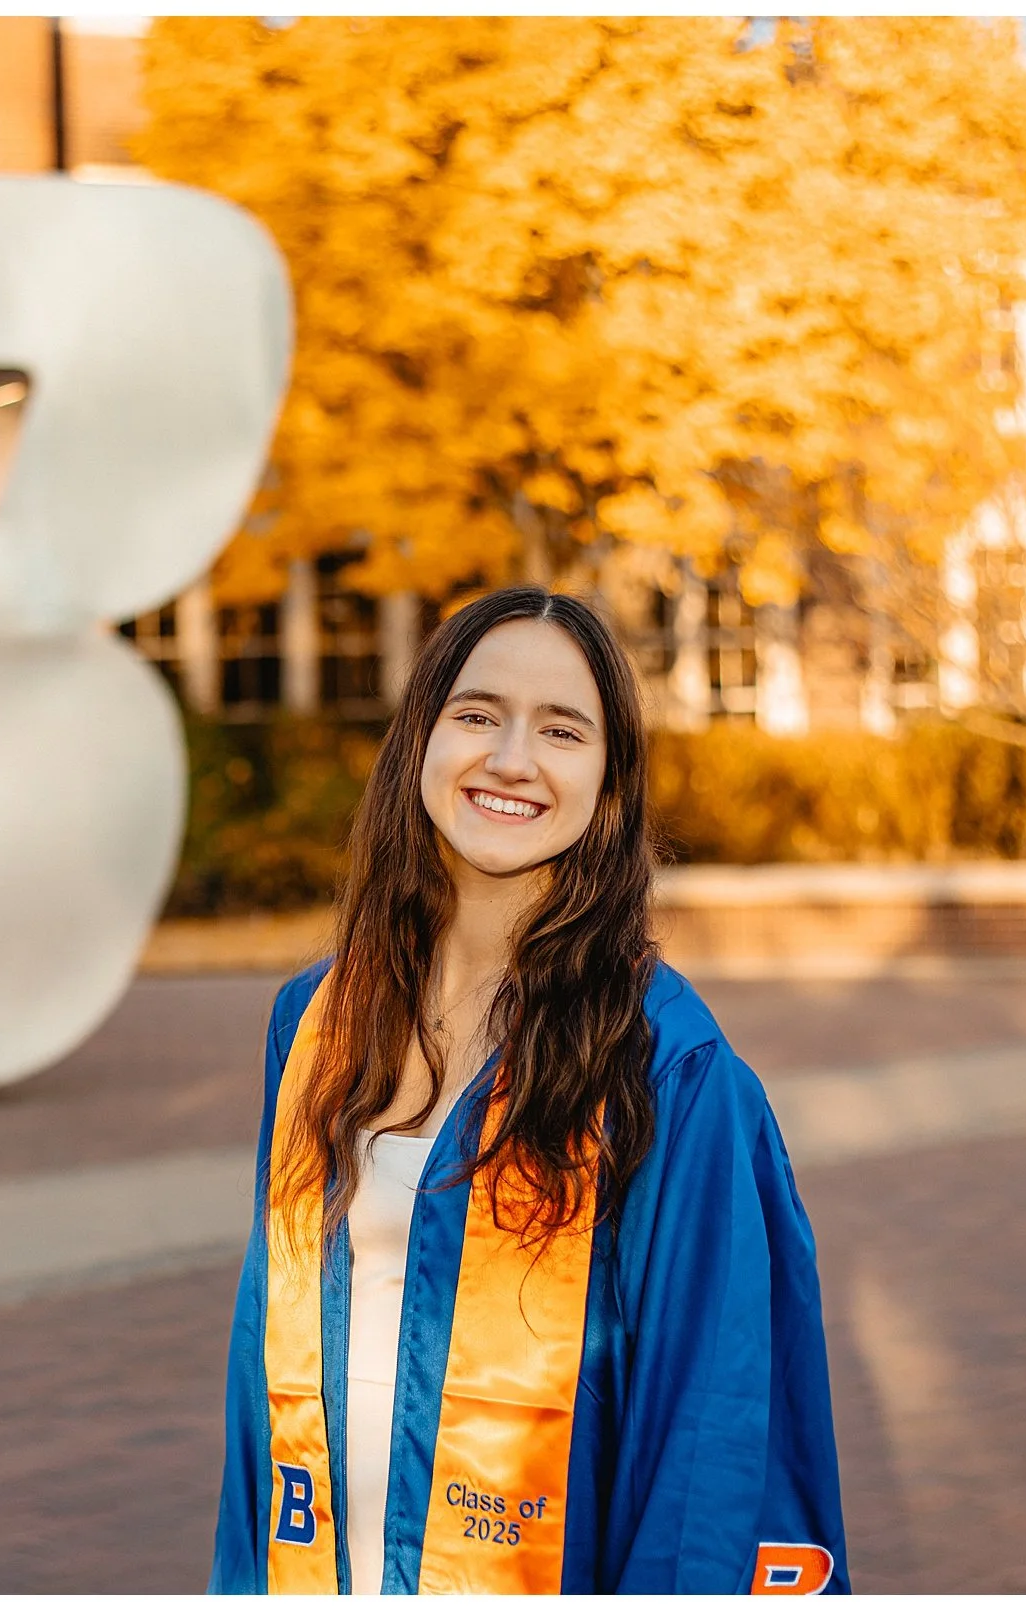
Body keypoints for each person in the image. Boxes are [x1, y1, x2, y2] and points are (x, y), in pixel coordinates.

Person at [208, 585, 848, 1595]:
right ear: (420, 740)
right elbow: (264, 1373)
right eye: (477, 715)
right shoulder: (317, 1024)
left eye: (562, 730)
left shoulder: (669, 1069)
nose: (511, 759)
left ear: (609, 782)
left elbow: (715, 1434)